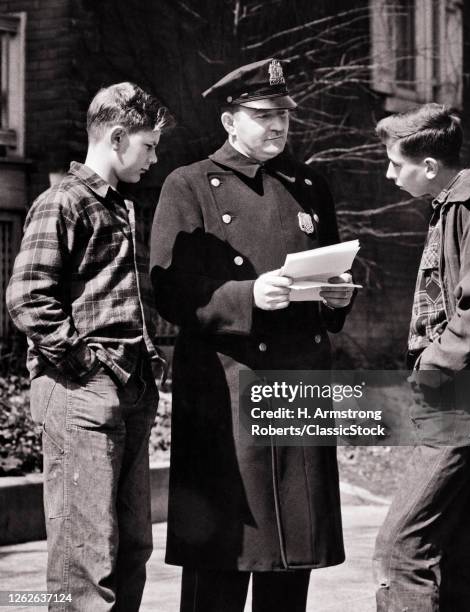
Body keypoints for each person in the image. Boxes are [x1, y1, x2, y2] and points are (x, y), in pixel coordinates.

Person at [150, 58, 355, 612]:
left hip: (299, 383)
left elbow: (329, 268)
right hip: (230, 389)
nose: (278, 126)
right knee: (224, 557)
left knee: (294, 554)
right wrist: (246, 297)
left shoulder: (310, 183)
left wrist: (338, 297)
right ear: (229, 120)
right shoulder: (188, 184)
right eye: (263, 115)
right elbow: (170, 290)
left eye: (283, 115)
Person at [6, 82, 170, 611]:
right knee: (85, 560)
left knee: (132, 550)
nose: (154, 157)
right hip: (82, 394)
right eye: (148, 146)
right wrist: (85, 362)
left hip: (131, 389)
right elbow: (28, 298)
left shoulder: (122, 205)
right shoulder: (62, 202)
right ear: (118, 137)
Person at [373, 103, 470, 611]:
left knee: (401, 546)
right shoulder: (451, 204)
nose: (388, 173)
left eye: (396, 164)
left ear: (428, 165)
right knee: (455, 540)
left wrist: (433, 368)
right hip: (456, 391)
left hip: (458, 395)